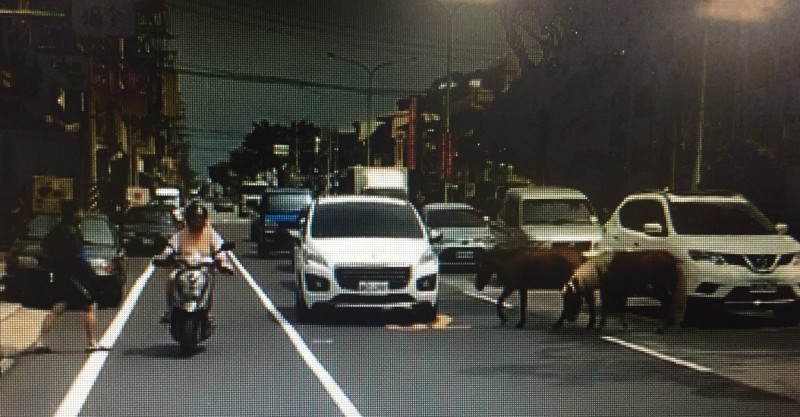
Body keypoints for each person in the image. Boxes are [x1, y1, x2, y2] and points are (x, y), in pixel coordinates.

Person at [31, 202, 105, 353]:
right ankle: (92, 343)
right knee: (89, 304)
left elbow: (45, 244)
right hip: (75, 275)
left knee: (57, 306)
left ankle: (41, 342)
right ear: (74, 214)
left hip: (61, 273)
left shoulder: (58, 229)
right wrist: (88, 273)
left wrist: (56, 259)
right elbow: (79, 257)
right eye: (80, 212)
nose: (82, 215)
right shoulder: (72, 231)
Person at [159, 201, 232, 323]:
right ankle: (170, 309)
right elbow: (171, 246)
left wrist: (223, 263)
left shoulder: (210, 234)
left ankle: (208, 312)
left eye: (199, 218)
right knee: (171, 277)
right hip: (183, 266)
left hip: (204, 267)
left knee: (210, 280)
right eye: (194, 218)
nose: (196, 221)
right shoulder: (182, 234)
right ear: (188, 219)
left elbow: (219, 249)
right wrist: (164, 255)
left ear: (204, 219)